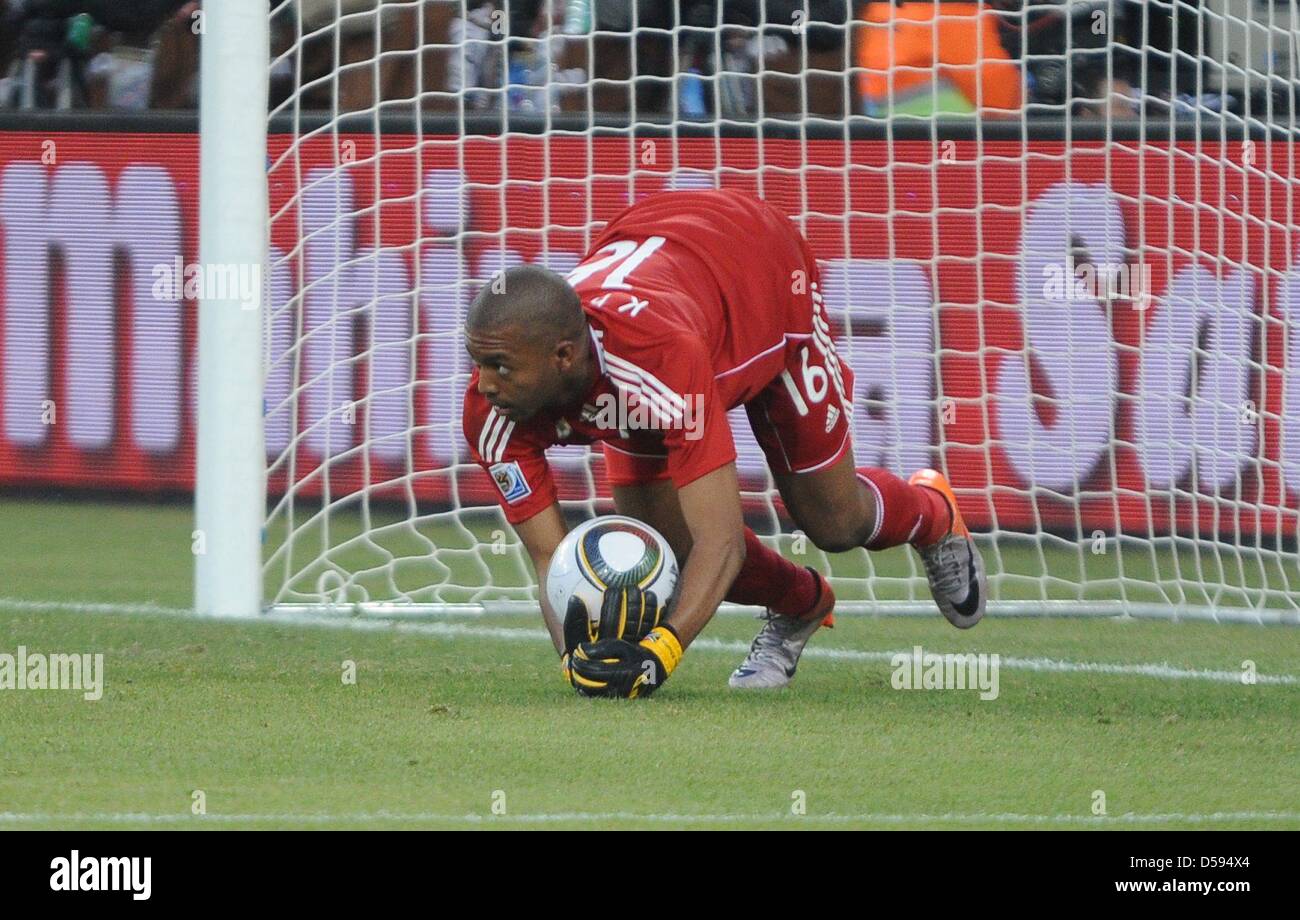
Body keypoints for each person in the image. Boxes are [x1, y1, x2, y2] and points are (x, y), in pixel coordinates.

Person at [462, 189, 985, 699]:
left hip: (762, 272)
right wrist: (574, 660)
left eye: (500, 368)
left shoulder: (659, 360)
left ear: (562, 357)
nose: (484, 384)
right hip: (670, 262)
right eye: (478, 363)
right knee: (668, 544)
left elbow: (724, 542)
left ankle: (934, 514)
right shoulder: (492, 408)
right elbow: (550, 556)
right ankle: (802, 602)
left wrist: (656, 655)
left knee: (832, 521)